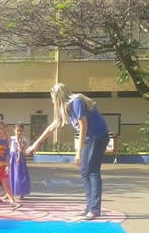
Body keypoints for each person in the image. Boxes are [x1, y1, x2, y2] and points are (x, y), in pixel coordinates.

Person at [26, 83, 109, 220]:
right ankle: (90, 206)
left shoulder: (76, 102)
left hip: (98, 136)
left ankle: (94, 209)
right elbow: (52, 127)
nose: (52, 101)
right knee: (84, 171)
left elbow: (83, 125)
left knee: (92, 171)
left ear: (58, 96)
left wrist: (78, 153)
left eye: (53, 98)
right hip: (89, 138)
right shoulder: (65, 109)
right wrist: (36, 143)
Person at [0, 120, 21, 211]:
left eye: (1, 129)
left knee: (7, 184)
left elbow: (7, 155)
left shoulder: (5, 142)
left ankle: (12, 202)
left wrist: (7, 166)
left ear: (4, 131)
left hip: (3, 167)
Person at [9, 122, 31, 200]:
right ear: (14, 130)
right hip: (12, 157)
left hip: (20, 158)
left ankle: (22, 193)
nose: (19, 132)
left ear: (23, 131)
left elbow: (22, 150)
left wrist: (19, 141)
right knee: (11, 175)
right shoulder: (11, 138)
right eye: (17, 130)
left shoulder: (25, 139)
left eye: (21, 130)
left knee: (20, 176)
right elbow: (8, 148)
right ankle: (9, 193)